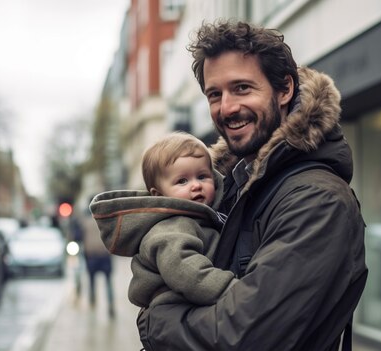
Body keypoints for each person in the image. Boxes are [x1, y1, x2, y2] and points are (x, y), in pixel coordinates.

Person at [134, 20, 368, 351]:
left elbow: (247, 336)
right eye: (215, 94)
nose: (226, 107)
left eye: (242, 88)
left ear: (285, 90)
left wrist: (155, 323)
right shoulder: (230, 185)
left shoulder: (317, 201)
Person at [90, 132, 236, 309]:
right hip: (175, 305)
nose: (196, 185)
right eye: (182, 181)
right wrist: (234, 289)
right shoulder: (171, 228)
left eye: (202, 176)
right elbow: (188, 273)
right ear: (159, 195)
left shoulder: (200, 217)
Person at [79, 198, 116, 317]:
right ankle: (110, 305)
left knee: (91, 281)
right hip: (105, 254)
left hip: (91, 255)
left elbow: (79, 236)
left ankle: (93, 302)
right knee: (108, 282)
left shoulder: (85, 221)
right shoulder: (106, 220)